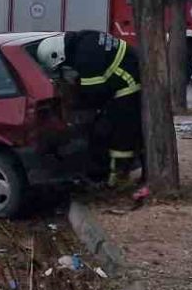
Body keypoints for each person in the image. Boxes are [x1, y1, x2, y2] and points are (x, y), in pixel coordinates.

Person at [36, 30, 142, 186]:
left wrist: (75, 106)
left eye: (62, 66)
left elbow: (93, 94)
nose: (64, 68)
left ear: (58, 56)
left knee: (120, 133)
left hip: (128, 86)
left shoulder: (85, 58)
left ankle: (119, 177)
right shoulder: (84, 38)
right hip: (130, 73)